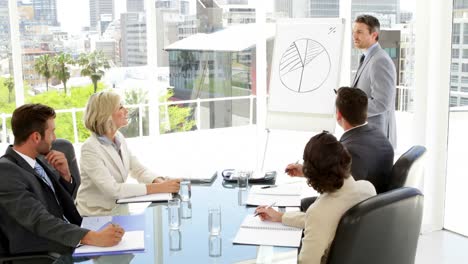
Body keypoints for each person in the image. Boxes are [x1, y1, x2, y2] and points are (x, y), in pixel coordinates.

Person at [0, 104, 124, 255]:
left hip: (67, 234)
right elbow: (39, 219)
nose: (55, 138)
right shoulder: (6, 171)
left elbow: (56, 204)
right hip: (45, 250)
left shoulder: (34, 161)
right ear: (36, 137)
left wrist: (65, 176)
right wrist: (91, 237)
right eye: (52, 132)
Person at [255, 132, 376, 264]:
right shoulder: (368, 189)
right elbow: (322, 221)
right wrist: (280, 217)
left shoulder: (319, 212)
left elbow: (307, 261)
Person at [286, 87, 393, 210]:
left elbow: (340, 191)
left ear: (338, 115)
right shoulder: (379, 135)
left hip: (357, 211)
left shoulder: (350, 150)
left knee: (300, 205)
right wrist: (306, 171)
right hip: (378, 206)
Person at [76, 91, 181, 216]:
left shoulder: (118, 137)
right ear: (106, 115)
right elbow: (112, 190)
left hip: (118, 210)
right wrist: (159, 188)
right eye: (120, 107)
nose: (126, 110)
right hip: (95, 215)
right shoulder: (90, 148)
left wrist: (159, 181)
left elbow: (138, 170)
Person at [351, 14, 397, 148]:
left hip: (376, 140)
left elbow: (382, 103)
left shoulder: (380, 60)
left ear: (374, 35)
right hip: (367, 138)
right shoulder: (368, 57)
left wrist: (351, 108)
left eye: (359, 32)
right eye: (354, 32)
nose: (354, 36)